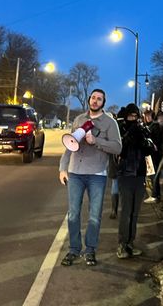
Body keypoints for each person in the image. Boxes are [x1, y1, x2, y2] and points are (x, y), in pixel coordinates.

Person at [59, 89, 122, 267]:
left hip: (97, 174)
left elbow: (117, 148)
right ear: (89, 100)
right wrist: (63, 168)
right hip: (75, 172)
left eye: (99, 99)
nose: (95, 101)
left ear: (103, 102)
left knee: (94, 216)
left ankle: (90, 250)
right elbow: (69, 145)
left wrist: (97, 142)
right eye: (93, 98)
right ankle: (74, 249)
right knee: (73, 214)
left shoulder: (110, 123)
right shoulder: (79, 120)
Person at [115, 103, 155, 259]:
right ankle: (122, 244)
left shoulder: (142, 130)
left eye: (135, 116)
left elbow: (150, 149)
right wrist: (130, 135)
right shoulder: (121, 129)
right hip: (125, 174)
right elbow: (119, 150)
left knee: (135, 213)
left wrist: (144, 138)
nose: (133, 118)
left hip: (139, 174)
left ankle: (130, 243)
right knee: (126, 211)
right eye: (130, 116)